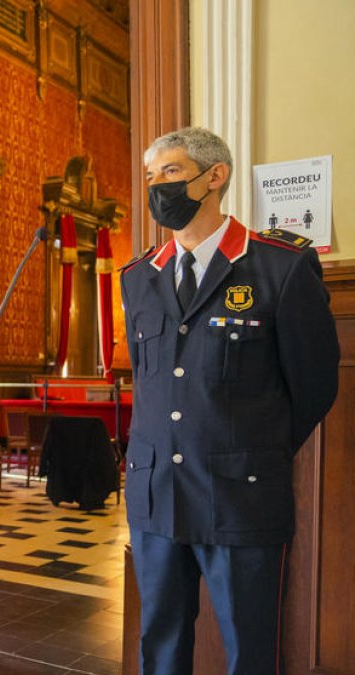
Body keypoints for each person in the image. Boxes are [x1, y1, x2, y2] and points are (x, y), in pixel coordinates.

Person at [121, 127, 339, 674]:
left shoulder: (280, 267)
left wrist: (252, 449)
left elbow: (315, 383)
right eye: (150, 177)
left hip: (239, 495)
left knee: (249, 647)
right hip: (156, 494)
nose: (156, 187)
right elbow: (152, 381)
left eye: (169, 172)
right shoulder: (137, 278)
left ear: (214, 176)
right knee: (160, 643)